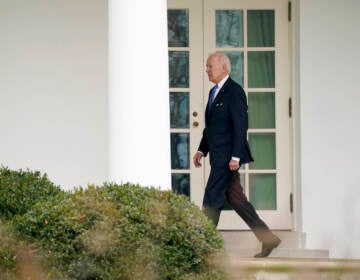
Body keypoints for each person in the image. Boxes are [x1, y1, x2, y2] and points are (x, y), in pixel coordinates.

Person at [193, 52, 281, 258]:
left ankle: (200, 247)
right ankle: (268, 239)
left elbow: (241, 127)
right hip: (218, 156)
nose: (206, 70)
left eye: (209, 66)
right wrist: (201, 150)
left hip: (227, 159)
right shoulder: (213, 93)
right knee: (237, 200)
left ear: (224, 68)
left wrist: (235, 156)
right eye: (206, 67)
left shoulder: (235, 92)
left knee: (212, 198)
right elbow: (212, 128)